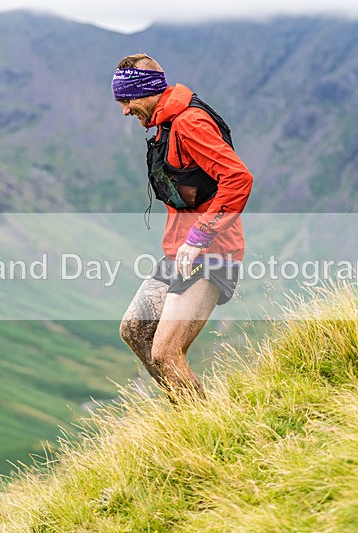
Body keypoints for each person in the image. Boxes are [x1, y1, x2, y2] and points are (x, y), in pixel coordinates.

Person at [113, 53, 254, 401]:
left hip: (213, 253)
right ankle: (186, 412)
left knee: (165, 353)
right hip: (181, 253)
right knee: (134, 330)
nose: (125, 111)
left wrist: (200, 234)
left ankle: (205, 428)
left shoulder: (189, 123)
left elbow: (238, 179)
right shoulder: (163, 123)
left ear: (146, 92)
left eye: (127, 100)